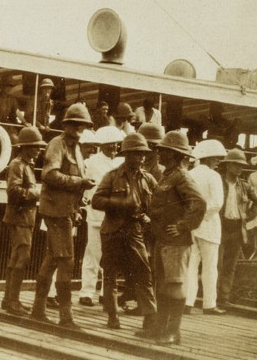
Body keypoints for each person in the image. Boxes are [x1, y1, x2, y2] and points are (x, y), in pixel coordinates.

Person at [29, 103, 96, 329]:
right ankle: (65, 317)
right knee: (66, 260)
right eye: (75, 124)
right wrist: (79, 183)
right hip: (55, 211)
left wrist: (79, 202)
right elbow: (50, 174)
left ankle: (38, 310)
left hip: (66, 210)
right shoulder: (57, 144)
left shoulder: (75, 148)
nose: (79, 128)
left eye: (82, 125)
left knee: (53, 258)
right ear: (66, 125)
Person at [92, 133, 159, 331]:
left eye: (143, 154)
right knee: (110, 275)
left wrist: (149, 216)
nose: (141, 158)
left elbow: (159, 201)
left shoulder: (148, 179)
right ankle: (112, 315)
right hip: (113, 230)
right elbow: (96, 200)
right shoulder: (112, 176)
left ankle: (150, 318)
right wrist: (121, 203)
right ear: (127, 154)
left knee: (144, 273)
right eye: (137, 154)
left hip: (134, 230)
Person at [146, 130, 206, 344]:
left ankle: (173, 331)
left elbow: (198, 203)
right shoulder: (168, 176)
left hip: (176, 242)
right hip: (163, 240)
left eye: (164, 151)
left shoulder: (181, 176)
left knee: (174, 285)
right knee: (163, 285)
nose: (159, 153)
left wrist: (183, 226)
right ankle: (160, 328)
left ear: (174, 154)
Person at [0, 126, 47, 315]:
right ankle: (13, 301)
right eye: (35, 146)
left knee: (16, 257)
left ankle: (9, 299)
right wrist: (37, 193)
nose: (39, 150)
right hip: (19, 217)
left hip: (24, 218)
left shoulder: (25, 165)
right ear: (26, 147)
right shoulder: (18, 165)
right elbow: (13, 191)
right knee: (22, 257)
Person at [78, 125, 125, 307]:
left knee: (112, 256)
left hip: (114, 216)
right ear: (101, 145)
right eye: (109, 144)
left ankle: (107, 293)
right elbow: (84, 186)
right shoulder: (91, 162)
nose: (113, 147)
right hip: (96, 215)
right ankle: (87, 292)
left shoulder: (120, 163)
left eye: (115, 144)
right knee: (93, 254)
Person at [216, 149, 257, 311]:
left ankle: (223, 299)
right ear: (227, 165)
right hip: (220, 227)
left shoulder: (244, 186)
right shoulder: (218, 182)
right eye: (236, 165)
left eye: (241, 165)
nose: (239, 168)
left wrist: (248, 216)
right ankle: (213, 298)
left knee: (230, 266)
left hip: (237, 229)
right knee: (217, 264)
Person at [184, 140, 227, 315]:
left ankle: (187, 302)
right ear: (208, 158)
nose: (218, 161)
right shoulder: (214, 176)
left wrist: (192, 218)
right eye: (216, 158)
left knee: (191, 265)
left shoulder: (188, 174)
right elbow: (217, 203)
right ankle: (209, 304)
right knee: (210, 266)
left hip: (190, 225)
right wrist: (202, 217)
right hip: (209, 226)